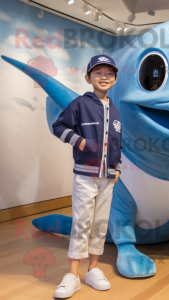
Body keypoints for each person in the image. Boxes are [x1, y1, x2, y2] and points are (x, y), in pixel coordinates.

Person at [51, 54, 122, 298]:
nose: (104, 77)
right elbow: (58, 127)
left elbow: (117, 143)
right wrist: (79, 142)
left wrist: (118, 167)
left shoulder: (115, 111)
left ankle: (93, 270)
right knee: (82, 223)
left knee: (100, 225)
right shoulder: (80, 104)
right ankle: (72, 275)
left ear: (114, 78)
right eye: (98, 72)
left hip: (108, 178)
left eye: (109, 73)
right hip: (85, 175)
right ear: (88, 77)